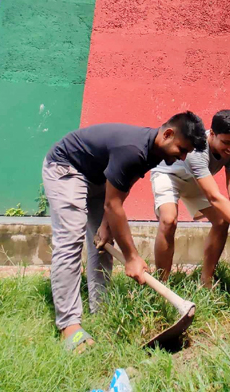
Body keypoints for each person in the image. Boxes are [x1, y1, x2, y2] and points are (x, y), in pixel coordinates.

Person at [42, 111, 207, 352]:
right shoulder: (134, 148)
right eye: (181, 149)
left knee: (102, 243)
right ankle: (69, 326)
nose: (182, 157)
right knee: (71, 239)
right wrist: (131, 257)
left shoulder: (155, 152)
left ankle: (101, 308)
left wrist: (106, 225)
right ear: (168, 134)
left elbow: (121, 187)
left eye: (186, 153)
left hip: (97, 177)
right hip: (66, 167)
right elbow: (113, 205)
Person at [150, 110, 230, 287]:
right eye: (226, 142)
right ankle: (161, 286)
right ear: (211, 134)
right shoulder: (197, 151)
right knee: (168, 221)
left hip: (195, 181)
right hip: (169, 175)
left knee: (221, 221)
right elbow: (214, 197)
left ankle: (206, 283)